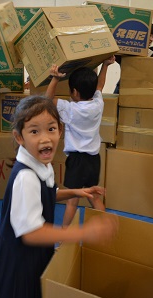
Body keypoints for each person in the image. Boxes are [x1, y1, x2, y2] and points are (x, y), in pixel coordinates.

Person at [0, 95, 118, 298]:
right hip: (18, 262)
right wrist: (83, 233)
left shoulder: (42, 165)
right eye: (34, 131)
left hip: (32, 256)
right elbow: (31, 233)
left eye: (51, 129)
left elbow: (47, 194)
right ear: (19, 138)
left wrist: (77, 192)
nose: (45, 138)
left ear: (60, 131)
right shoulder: (26, 177)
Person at [46, 56, 115, 227]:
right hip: (93, 159)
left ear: (75, 92)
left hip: (77, 161)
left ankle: (63, 239)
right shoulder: (98, 104)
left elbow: (47, 100)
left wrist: (55, 78)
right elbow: (100, 85)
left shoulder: (70, 109)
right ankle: (107, 228)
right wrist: (105, 65)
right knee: (93, 196)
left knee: (72, 201)